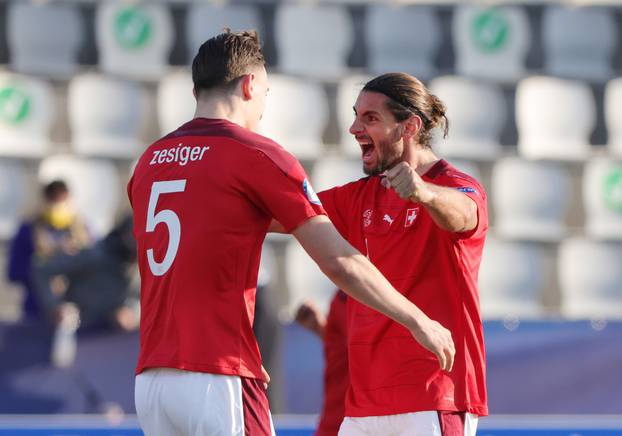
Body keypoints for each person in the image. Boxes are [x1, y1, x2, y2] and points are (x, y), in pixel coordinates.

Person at [128, 30, 454, 436]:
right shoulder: (255, 154)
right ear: (250, 85)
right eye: (265, 92)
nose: (263, 106)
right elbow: (339, 261)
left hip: (152, 380)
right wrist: (418, 320)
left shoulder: (150, 161)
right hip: (217, 372)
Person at [317, 73, 488, 435]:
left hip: (434, 396)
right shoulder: (358, 197)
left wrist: (424, 193)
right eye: (355, 116)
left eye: (370, 118)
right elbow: (283, 214)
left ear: (409, 126)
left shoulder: (453, 184)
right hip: (362, 407)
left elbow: (465, 214)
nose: (353, 128)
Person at [32, 215, 140, 367]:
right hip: (77, 334)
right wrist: (55, 307)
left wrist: (132, 313)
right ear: (124, 234)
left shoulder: (147, 264)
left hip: (112, 345)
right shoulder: (95, 255)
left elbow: (145, 301)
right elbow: (42, 270)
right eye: (135, 236)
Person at [7, 180, 91, 318]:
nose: (57, 205)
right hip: (37, 311)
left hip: (79, 310)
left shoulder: (83, 229)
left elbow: (97, 265)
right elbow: (14, 272)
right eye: (53, 199)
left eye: (61, 199)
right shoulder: (28, 229)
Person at [296, 291, 348, 436]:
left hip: (362, 420)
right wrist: (323, 330)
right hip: (336, 420)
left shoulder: (363, 289)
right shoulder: (341, 297)